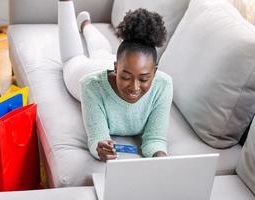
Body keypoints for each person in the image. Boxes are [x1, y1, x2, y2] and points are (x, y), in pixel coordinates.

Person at [59, 0, 173, 161]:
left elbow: (155, 139)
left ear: (154, 72)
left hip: (119, 62)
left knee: (101, 50)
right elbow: (97, 137)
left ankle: (86, 25)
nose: (134, 87)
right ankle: (65, 3)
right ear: (116, 68)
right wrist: (100, 148)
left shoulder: (163, 85)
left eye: (144, 79)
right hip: (86, 70)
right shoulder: (90, 86)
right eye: (126, 77)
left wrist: (161, 159)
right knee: (72, 57)